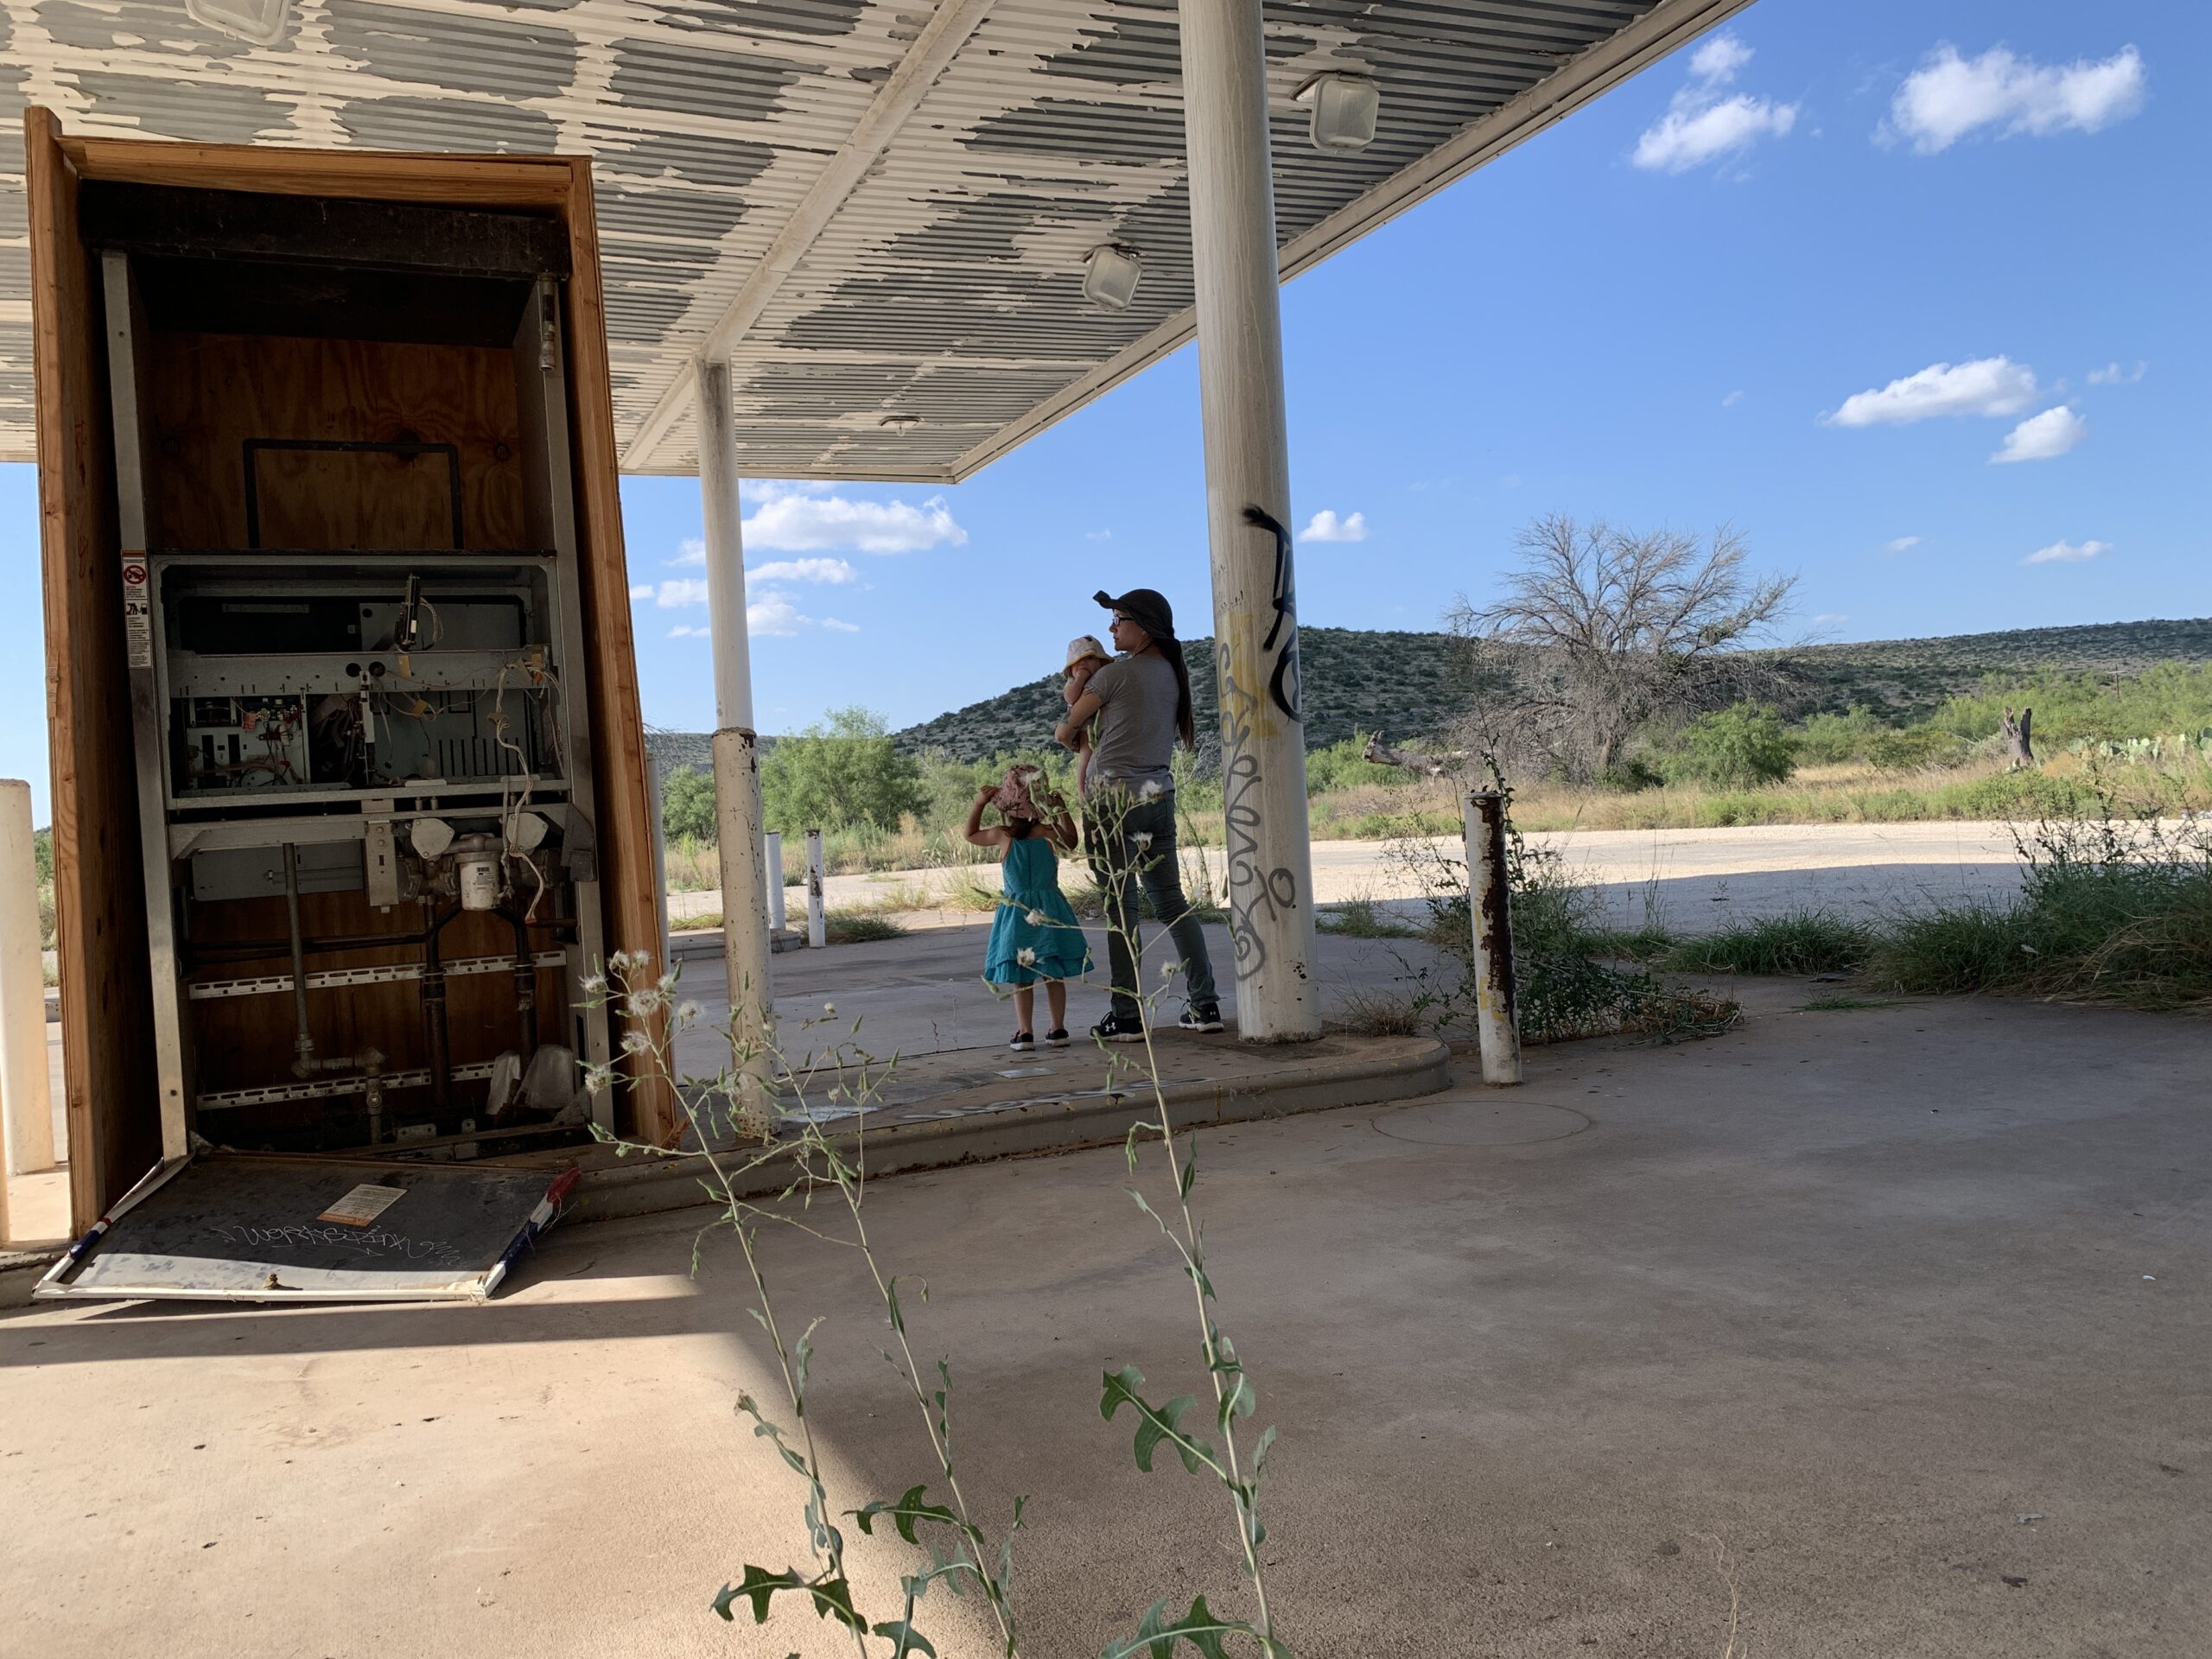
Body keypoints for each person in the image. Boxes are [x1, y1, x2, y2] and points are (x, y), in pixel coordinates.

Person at [1054, 588, 1223, 1042]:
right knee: (1171, 902)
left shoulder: (1113, 678)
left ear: (1143, 626)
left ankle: (1126, 1015)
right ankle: (1204, 1003)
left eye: (1118, 619)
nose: (1112, 628)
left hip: (1111, 801)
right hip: (1158, 796)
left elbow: (1068, 726)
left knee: (1120, 909)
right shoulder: (1173, 675)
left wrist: (1075, 728)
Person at [964, 765, 1090, 1052]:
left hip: (1016, 911)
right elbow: (1071, 842)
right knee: (1052, 971)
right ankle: (1058, 1029)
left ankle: (1025, 1032)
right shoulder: (1048, 832)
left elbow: (970, 834)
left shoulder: (1002, 835)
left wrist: (979, 803)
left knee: (1021, 974)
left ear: (1007, 806)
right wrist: (1061, 810)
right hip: (1050, 909)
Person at [1061, 633, 1111, 794]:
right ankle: (1084, 794)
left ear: (1100, 662)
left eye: (1089, 658)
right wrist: (1080, 679)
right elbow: (1070, 698)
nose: (1083, 664)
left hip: (1105, 724)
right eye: (1077, 662)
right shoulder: (1073, 682)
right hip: (1086, 726)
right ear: (1070, 668)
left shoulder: (1105, 678)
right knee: (1086, 758)